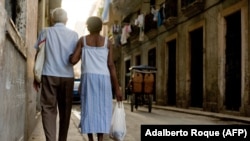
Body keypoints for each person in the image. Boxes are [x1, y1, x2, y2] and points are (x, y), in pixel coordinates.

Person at [69, 16, 123, 141]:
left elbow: (73, 60)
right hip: (104, 80)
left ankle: (91, 140)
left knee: (88, 109)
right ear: (100, 28)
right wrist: (117, 88)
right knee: (103, 111)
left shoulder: (83, 41)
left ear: (88, 27)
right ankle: (100, 140)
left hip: (89, 79)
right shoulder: (107, 43)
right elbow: (111, 65)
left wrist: (68, 56)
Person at [33, 8, 78, 141]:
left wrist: (36, 76)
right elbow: (75, 57)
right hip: (68, 76)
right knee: (65, 111)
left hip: (49, 74)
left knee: (48, 109)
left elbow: (39, 54)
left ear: (52, 19)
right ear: (66, 20)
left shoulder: (45, 32)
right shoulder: (74, 35)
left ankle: (50, 139)